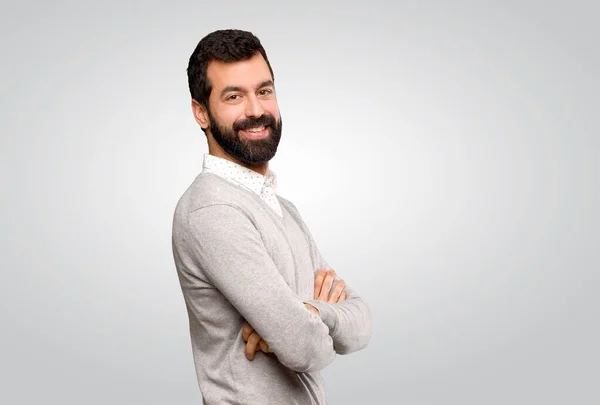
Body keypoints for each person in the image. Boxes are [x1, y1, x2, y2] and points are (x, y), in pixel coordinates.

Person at [171, 28, 372, 405]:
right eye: (234, 96)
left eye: (264, 90)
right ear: (201, 112)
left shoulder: (283, 210)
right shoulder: (214, 209)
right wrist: (303, 324)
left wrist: (311, 311)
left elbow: (362, 325)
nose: (256, 110)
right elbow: (306, 349)